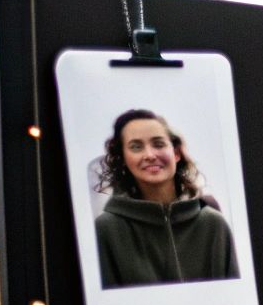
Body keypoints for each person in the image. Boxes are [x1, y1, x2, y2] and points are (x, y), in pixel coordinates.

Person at [93, 109, 240, 289]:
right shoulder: (105, 230)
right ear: (123, 159)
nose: (149, 155)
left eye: (158, 144)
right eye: (136, 147)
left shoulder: (214, 224)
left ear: (176, 153)